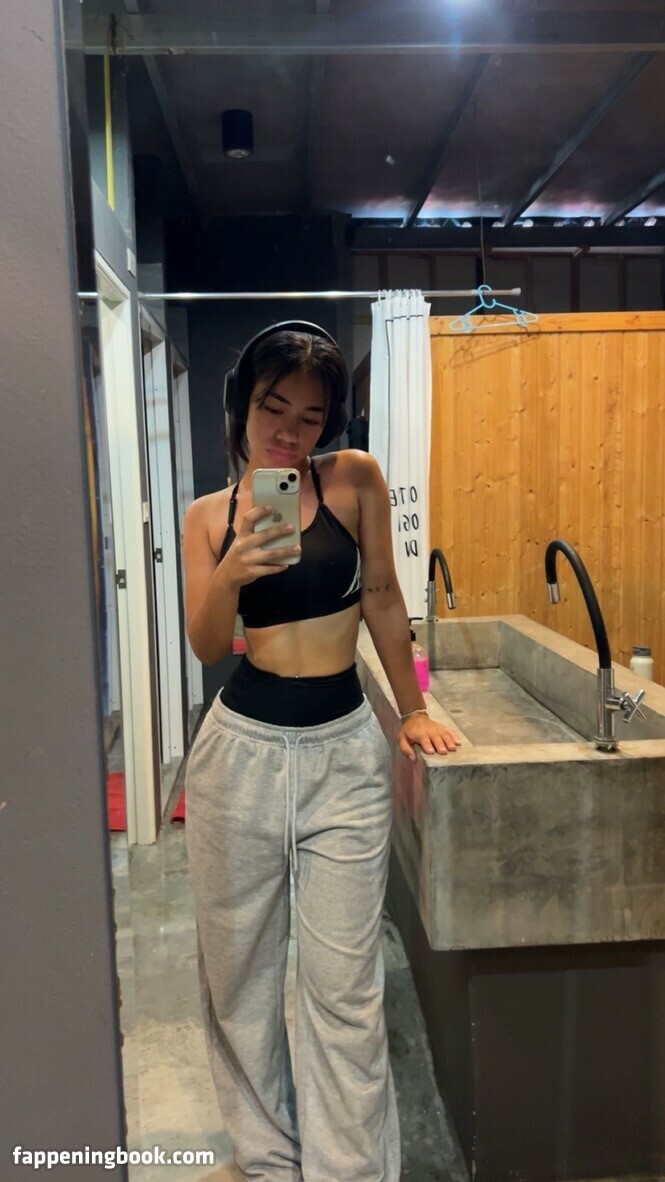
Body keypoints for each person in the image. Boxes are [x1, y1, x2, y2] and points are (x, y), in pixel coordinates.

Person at [182, 322, 460, 1182]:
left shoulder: (354, 479)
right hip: (241, 754)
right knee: (240, 975)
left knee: (343, 987)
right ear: (243, 405)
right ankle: (267, 1157)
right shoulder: (207, 518)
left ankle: (349, 1169)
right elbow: (206, 645)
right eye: (274, 409)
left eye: (309, 417)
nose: (288, 432)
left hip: (343, 750)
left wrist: (411, 710)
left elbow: (382, 596)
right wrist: (232, 570)